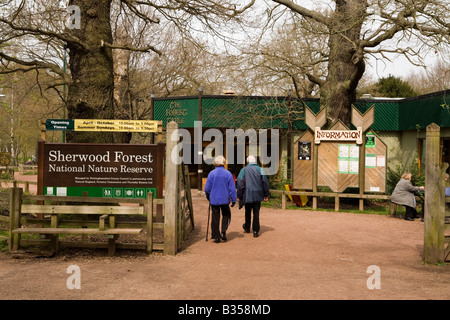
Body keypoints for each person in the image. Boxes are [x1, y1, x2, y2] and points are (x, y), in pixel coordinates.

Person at [204, 155, 237, 243]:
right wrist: (234, 200)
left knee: (215, 217)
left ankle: (216, 236)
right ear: (224, 162)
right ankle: (223, 232)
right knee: (226, 215)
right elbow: (232, 188)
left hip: (214, 199)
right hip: (225, 199)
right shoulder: (228, 173)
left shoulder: (211, 173)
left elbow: (207, 188)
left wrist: (208, 196)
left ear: (215, 163)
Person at [237, 155, 269, 237]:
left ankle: (247, 227)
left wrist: (239, 195)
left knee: (247, 212)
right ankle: (255, 231)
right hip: (258, 194)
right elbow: (264, 182)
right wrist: (266, 194)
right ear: (255, 162)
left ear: (247, 161)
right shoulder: (260, 169)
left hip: (247, 194)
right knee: (256, 213)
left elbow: (241, 184)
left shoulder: (243, 170)